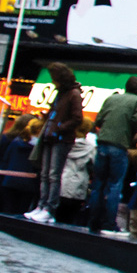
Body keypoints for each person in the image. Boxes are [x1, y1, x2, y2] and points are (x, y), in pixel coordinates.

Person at [25, 63, 83, 223]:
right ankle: (43, 206)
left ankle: (49, 208)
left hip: (60, 137)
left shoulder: (72, 94)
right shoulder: (65, 93)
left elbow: (77, 118)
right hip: (53, 135)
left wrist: (58, 127)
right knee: (46, 174)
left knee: (52, 174)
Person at [89, 76, 137, 233]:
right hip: (120, 144)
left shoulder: (112, 98)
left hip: (102, 142)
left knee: (98, 184)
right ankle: (109, 223)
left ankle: (93, 221)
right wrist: (130, 131)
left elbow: (99, 120)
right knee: (115, 185)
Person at [0, 115, 40, 215]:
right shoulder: (37, 147)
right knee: (20, 211)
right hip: (28, 182)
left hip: (5, 179)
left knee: (2, 210)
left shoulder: (7, 139)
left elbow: (1, 159)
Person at [56, 119, 97, 225]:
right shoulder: (90, 147)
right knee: (70, 219)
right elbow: (95, 165)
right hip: (79, 186)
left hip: (61, 182)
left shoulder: (64, 143)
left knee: (56, 217)